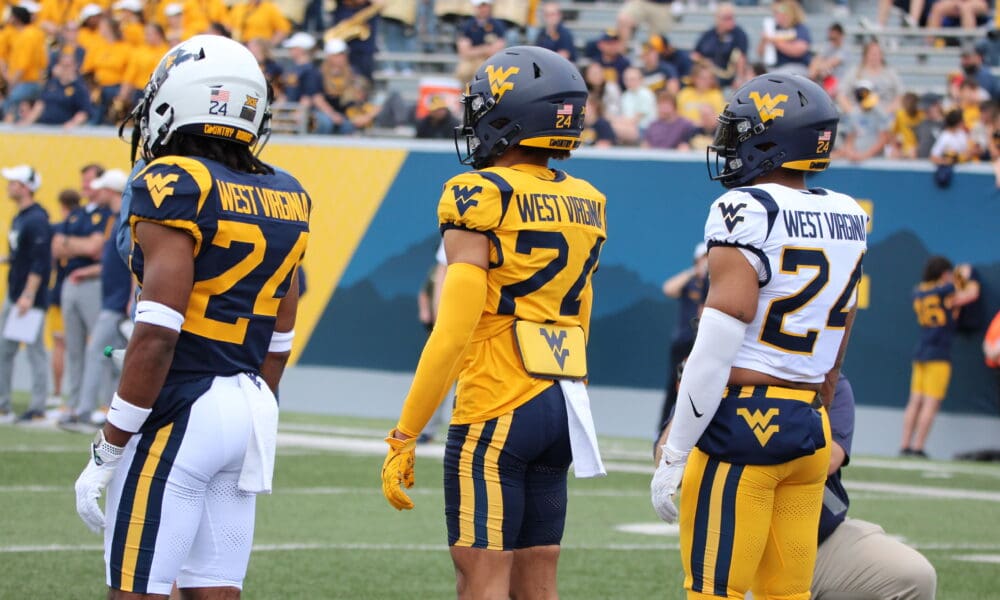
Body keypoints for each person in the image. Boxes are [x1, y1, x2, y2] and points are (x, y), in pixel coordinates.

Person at [73, 35, 310, 598]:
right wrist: (250, 404)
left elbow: (156, 334)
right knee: (215, 589)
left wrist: (108, 446)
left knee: (136, 589)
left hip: (183, 404)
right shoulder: (287, 193)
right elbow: (282, 336)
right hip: (250, 403)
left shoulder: (174, 182)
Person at [380, 46, 607, 599]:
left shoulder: (479, 192)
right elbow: (581, 317)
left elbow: (452, 330)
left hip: (498, 400)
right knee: (538, 581)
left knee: (480, 577)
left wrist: (406, 432)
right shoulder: (587, 200)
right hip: (561, 406)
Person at [650, 73, 868, 599]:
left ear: (774, 139)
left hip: (743, 426)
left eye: (742, 131)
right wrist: (820, 398)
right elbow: (843, 328)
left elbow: (716, 340)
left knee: (714, 590)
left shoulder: (746, 209)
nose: (730, 143)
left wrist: (677, 446)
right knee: (786, 594)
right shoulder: (848, 214)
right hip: (808, 428)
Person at [654, 375, 938, 599]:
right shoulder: (713, 375)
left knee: (914, 576)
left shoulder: (824, 378)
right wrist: (697, 390)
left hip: (818, 537)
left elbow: (830, 458)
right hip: (739, 553)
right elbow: (665, 459)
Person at [900, 256, 979, 458]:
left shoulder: (919, 290)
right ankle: (918, 447)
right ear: (945, 274)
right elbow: (971, 293)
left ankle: (905, 445)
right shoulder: (946, 290)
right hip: (939, 352)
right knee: (930, 403)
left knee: (915, 400)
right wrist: (965, 275)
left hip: (922, 349)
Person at [72, 169, 133, 430]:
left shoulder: (122, 219)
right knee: (114, 357)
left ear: (111, 191)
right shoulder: (113, 218)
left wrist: (131, 297)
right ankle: (109, 409)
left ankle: (86, 410)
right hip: (113, 298)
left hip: (118, 301)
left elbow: (133, 262)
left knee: (98, 351)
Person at [54, 164, 112, 427]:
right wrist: (79, 246)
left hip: (93, 283)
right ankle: (74, 401)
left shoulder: (105, 214)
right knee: (74, 347)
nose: (85, 186)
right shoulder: (77, 214)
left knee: (98, 347)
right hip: (70, 283)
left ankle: (102, 401)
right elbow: (56, 247)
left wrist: (71, 245)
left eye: (90, 181)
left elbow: (95, 248)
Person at [0, 166, 51, 424]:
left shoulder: (36, 219)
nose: (9, 186)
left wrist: (28, 295)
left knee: (34, 352)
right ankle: (3, 405)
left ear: (25, 186)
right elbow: (22, 254)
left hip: (27, 297)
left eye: (14, 182)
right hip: (15, 292)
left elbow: (40, 261)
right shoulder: (20, 217)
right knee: (4, 350)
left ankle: (38, 406)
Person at [655, 242, 707, 432]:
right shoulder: (690, 281)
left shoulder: (716, 283)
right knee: (674, 386)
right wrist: (693, 272)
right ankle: (663, 430)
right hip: (684, 341)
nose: (707, 263)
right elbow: (668, 289)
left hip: (705, 344)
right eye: (704, 258)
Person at [45, 189, 83, 417]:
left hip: (62, 290)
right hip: (69, 289)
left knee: (62, 344)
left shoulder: (61, 227)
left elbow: (56, 251)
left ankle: (60, 394)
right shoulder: (82, 224)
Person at [691, 3, 748, 89]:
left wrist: (739, 78)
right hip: (708, 74)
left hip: (728, 76)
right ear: (717, 18)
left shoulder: (738, 34)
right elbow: (695, 55)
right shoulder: (708, 35)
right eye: (726, 18)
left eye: (732, 17)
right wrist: (704, 62)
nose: (730, 21)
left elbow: (741, 58)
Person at [454, 0, 506, 84]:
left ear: (490, 7)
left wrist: (473, 50)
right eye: (480, 6)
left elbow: (497, 50)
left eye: (484, 6)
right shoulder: (467, 25)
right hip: (470, 60)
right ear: (475, 7)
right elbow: (464, 52)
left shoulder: (497, 25)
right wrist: (485, 49)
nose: (482, 9)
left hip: (488, 61)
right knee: (463, 71)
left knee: (483, 72)